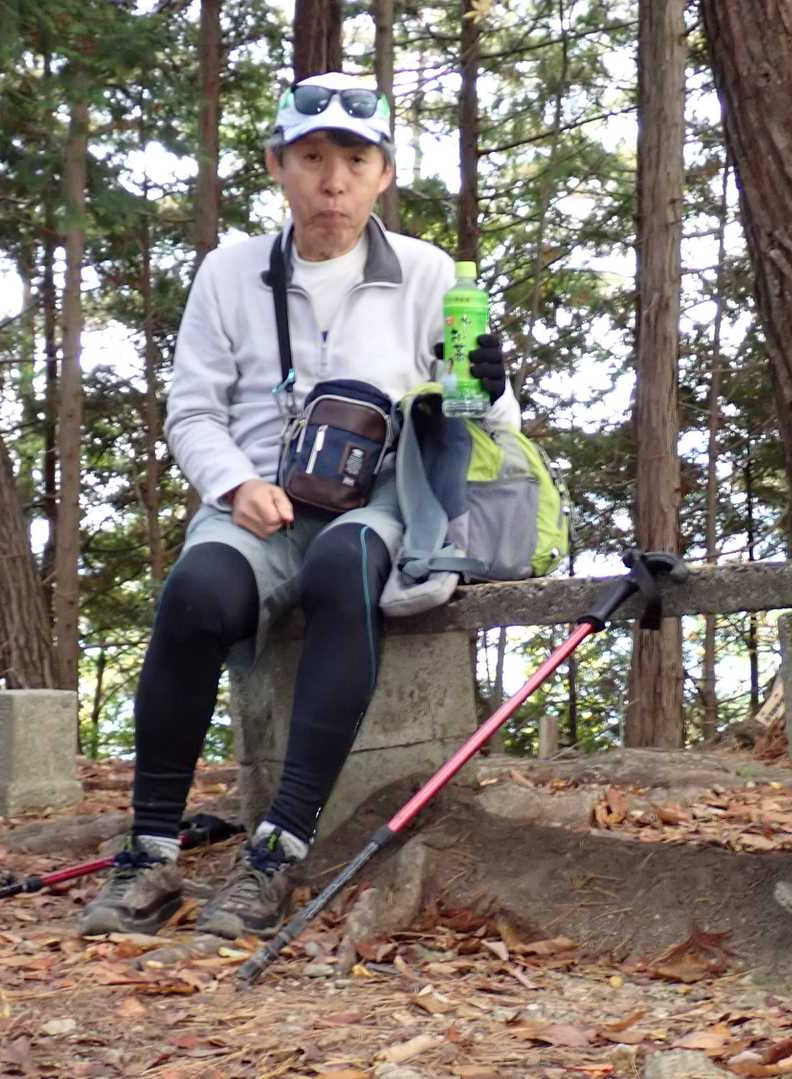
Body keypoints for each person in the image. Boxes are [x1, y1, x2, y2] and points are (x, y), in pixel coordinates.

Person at [80, 71, 519, 939]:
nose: (333, 181)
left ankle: (276, 851)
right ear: (277, 165)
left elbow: (490, 426)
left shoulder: (430, 274)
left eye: (355, 159)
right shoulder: (230, 271)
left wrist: (492, 385)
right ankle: (150, 852)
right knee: (196, 593)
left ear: (385, 173)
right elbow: (192, 411)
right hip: (256, 499)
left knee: (342, 565)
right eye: (312, 158)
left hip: (379, 500)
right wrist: (235, 484)